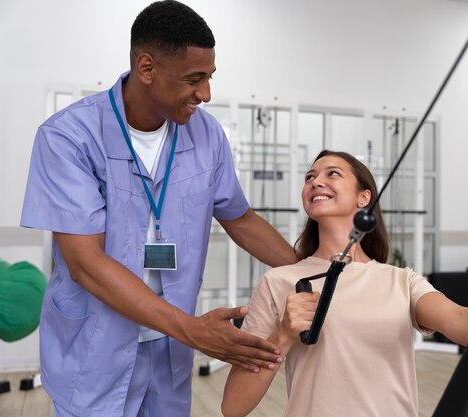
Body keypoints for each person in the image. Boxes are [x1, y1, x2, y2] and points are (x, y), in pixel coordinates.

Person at [20, 1, 296, 416]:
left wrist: (316, 272)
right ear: (146, 68)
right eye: (194, 79)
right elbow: (86, 264)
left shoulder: (206, 134)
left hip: (169, 350)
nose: (206, 94)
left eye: (209, 78)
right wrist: (194, 330)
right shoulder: (69, 138)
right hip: (96, 346)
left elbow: (240, 218)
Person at [221, 150, 468, 417]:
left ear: (364, 199)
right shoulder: (280, 281)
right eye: (309, 176)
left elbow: (462, 321)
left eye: (331, 173)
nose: (315, 181)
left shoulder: (399, 281)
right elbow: (233, 407)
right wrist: (284, 335)